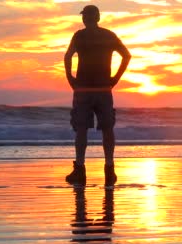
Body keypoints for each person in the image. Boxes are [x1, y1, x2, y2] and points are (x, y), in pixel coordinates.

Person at [64, 5, 131, 187]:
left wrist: (70, 78)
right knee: (107, 129)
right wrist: (115, 79)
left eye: (85, 16)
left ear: (87, 18)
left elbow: (68, 56)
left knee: (82, 129)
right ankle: (109, 169)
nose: (85, 19)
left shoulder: (80, 36)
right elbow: (126, 56)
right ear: (98, 18)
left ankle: (80, 168)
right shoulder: (108, 36)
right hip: (102, 89)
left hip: (84, 90)